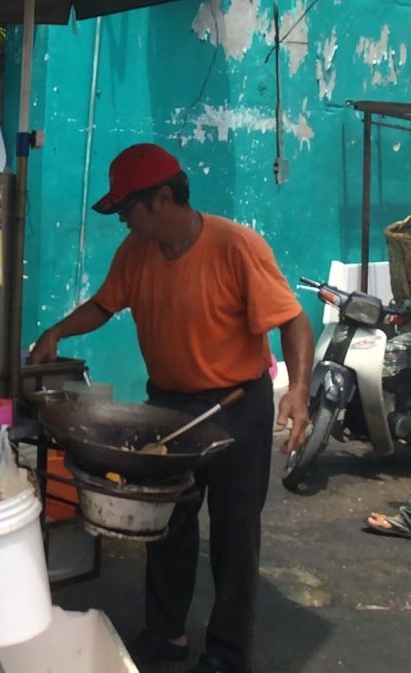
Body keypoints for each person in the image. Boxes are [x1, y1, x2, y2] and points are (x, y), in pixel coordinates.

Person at [28, 144, 313, 673]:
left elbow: (293, 320)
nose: (123, 221)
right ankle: (166, 635)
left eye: (127, 209)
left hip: (234, 407)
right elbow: (104, 304)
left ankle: (227, 651)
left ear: (162, 197)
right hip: (170, 408)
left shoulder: (236, 246)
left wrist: (298, 391)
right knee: (169, 523)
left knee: (234, 534)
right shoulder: (136, 253)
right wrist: (56, 331)